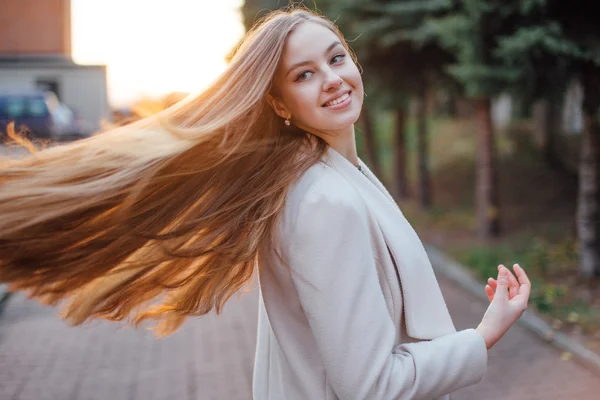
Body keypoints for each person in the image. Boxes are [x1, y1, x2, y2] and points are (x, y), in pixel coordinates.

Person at [0, 7, 531, 400]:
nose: (332, 79)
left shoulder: (322, 175)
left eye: (336, 57)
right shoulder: (324, 199)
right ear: (277, 102)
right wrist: (483, 335)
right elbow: (372, 387)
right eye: (304, 75)